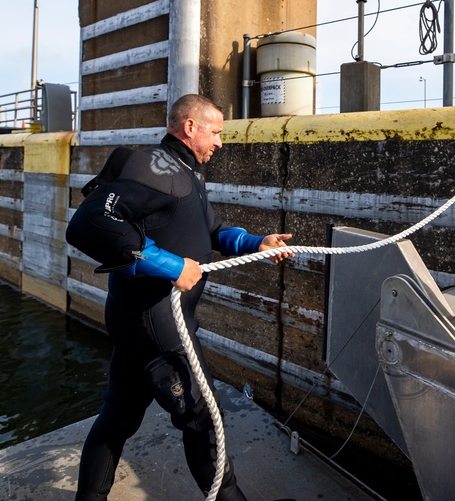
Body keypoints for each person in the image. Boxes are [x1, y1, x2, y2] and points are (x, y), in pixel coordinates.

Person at [66, 93, 294, 501]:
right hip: (154, 322)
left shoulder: (186, 172)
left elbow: (209, 231)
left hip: (141, 320)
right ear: (190, 127)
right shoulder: (153, 167)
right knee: (203, 419)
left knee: (118, 416)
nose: (220, 143)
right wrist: (170, 265)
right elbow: (89, 224)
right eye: (216, 132)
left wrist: (255, 242)